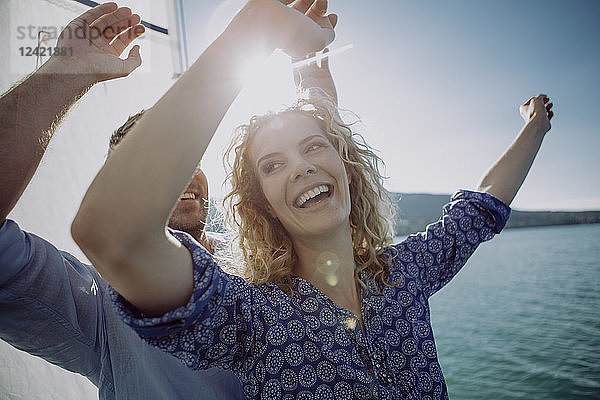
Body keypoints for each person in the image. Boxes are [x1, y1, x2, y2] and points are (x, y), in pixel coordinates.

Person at [71, 0, 555, 399]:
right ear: (262, 205)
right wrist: (258, 26)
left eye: (313, 147)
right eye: (273, 164)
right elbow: (113, 234)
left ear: (347, 170)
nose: (301, 166)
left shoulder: (402, 275)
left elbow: (481, 207)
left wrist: (535, 127)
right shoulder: (252, 317)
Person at [0, 3, 244, 399]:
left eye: (188, 157)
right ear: (118, 192)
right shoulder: (101, 308)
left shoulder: (269, 254)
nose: (180, 172)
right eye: (150, 163)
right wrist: (64, 73)